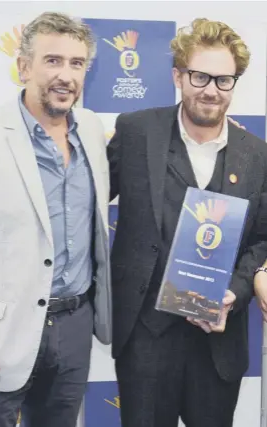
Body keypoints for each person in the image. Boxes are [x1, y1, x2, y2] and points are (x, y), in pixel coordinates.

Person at [108, 18, 267, 427]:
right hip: (146, 337)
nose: (211, 89)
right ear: (178, 76)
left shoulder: (257, 154)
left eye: (224, 79)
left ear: (235, 84)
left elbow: (263, 241)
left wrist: (234, 292)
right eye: (200, 76)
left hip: (218, 341)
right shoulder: (135, 130)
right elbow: (85, 201)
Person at [0, 11, 111, 427]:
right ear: (23, 67)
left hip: (74, 328)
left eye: (77, 63)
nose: (66, 75)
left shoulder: (91, 130)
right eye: (52, 60)